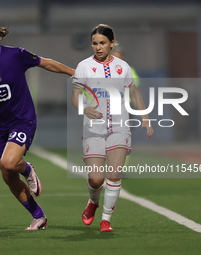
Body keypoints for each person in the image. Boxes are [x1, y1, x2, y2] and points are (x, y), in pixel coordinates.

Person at [0, 20, 75, 230]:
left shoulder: (15, 55)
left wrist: (73, 72)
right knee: (8, 176)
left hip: (22, 119)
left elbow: (46, 63)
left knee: (10, 163)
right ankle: (39, 216)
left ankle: (27, 169)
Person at [72, 24, 153, 232]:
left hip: (119, 127)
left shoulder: (123, 67)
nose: (98, 47)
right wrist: (84, 108)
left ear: (111, 43)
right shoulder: (83, 66)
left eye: (102, 43)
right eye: (95, 43)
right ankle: (93, 201)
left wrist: (145, 116)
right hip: (93, 129)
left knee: (114, 176)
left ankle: (106, 219)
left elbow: (133, 93)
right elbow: (75, 97)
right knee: (96, 179)